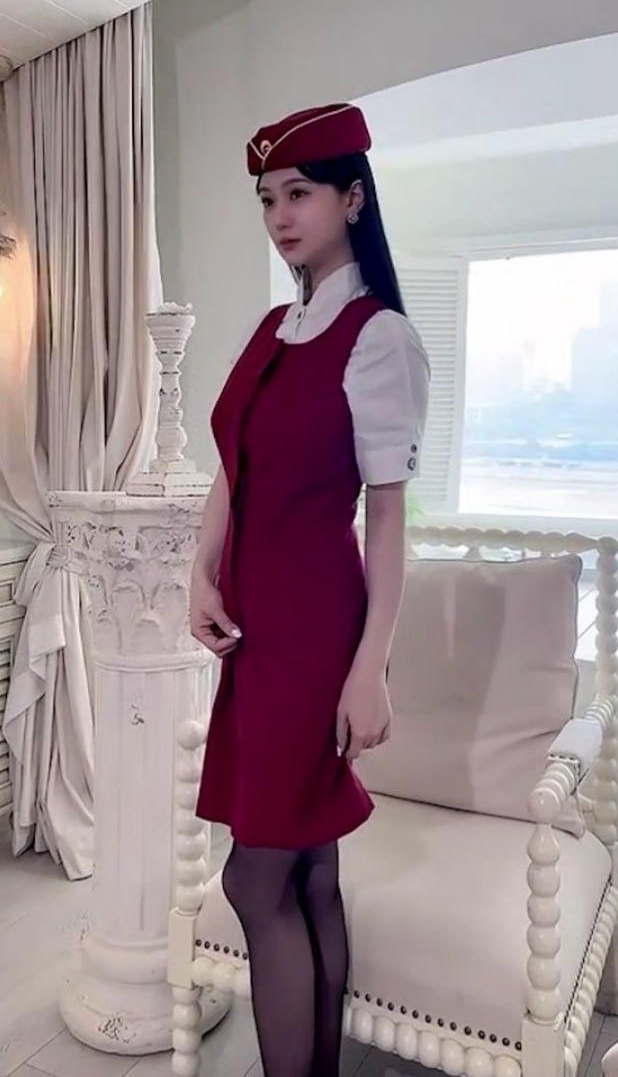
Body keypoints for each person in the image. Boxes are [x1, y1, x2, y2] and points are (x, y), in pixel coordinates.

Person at [189, 101, 430, 1077]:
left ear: (352, 199)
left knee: (256, 881)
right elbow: (232, 467)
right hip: (259, 637)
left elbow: (390, 516)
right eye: (266, 199)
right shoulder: (275, 328)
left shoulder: (379, 338)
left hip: (315, 636)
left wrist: (371, 667)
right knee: (308, 872)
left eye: (299, 193)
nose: (280, 216)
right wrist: (200, 569)